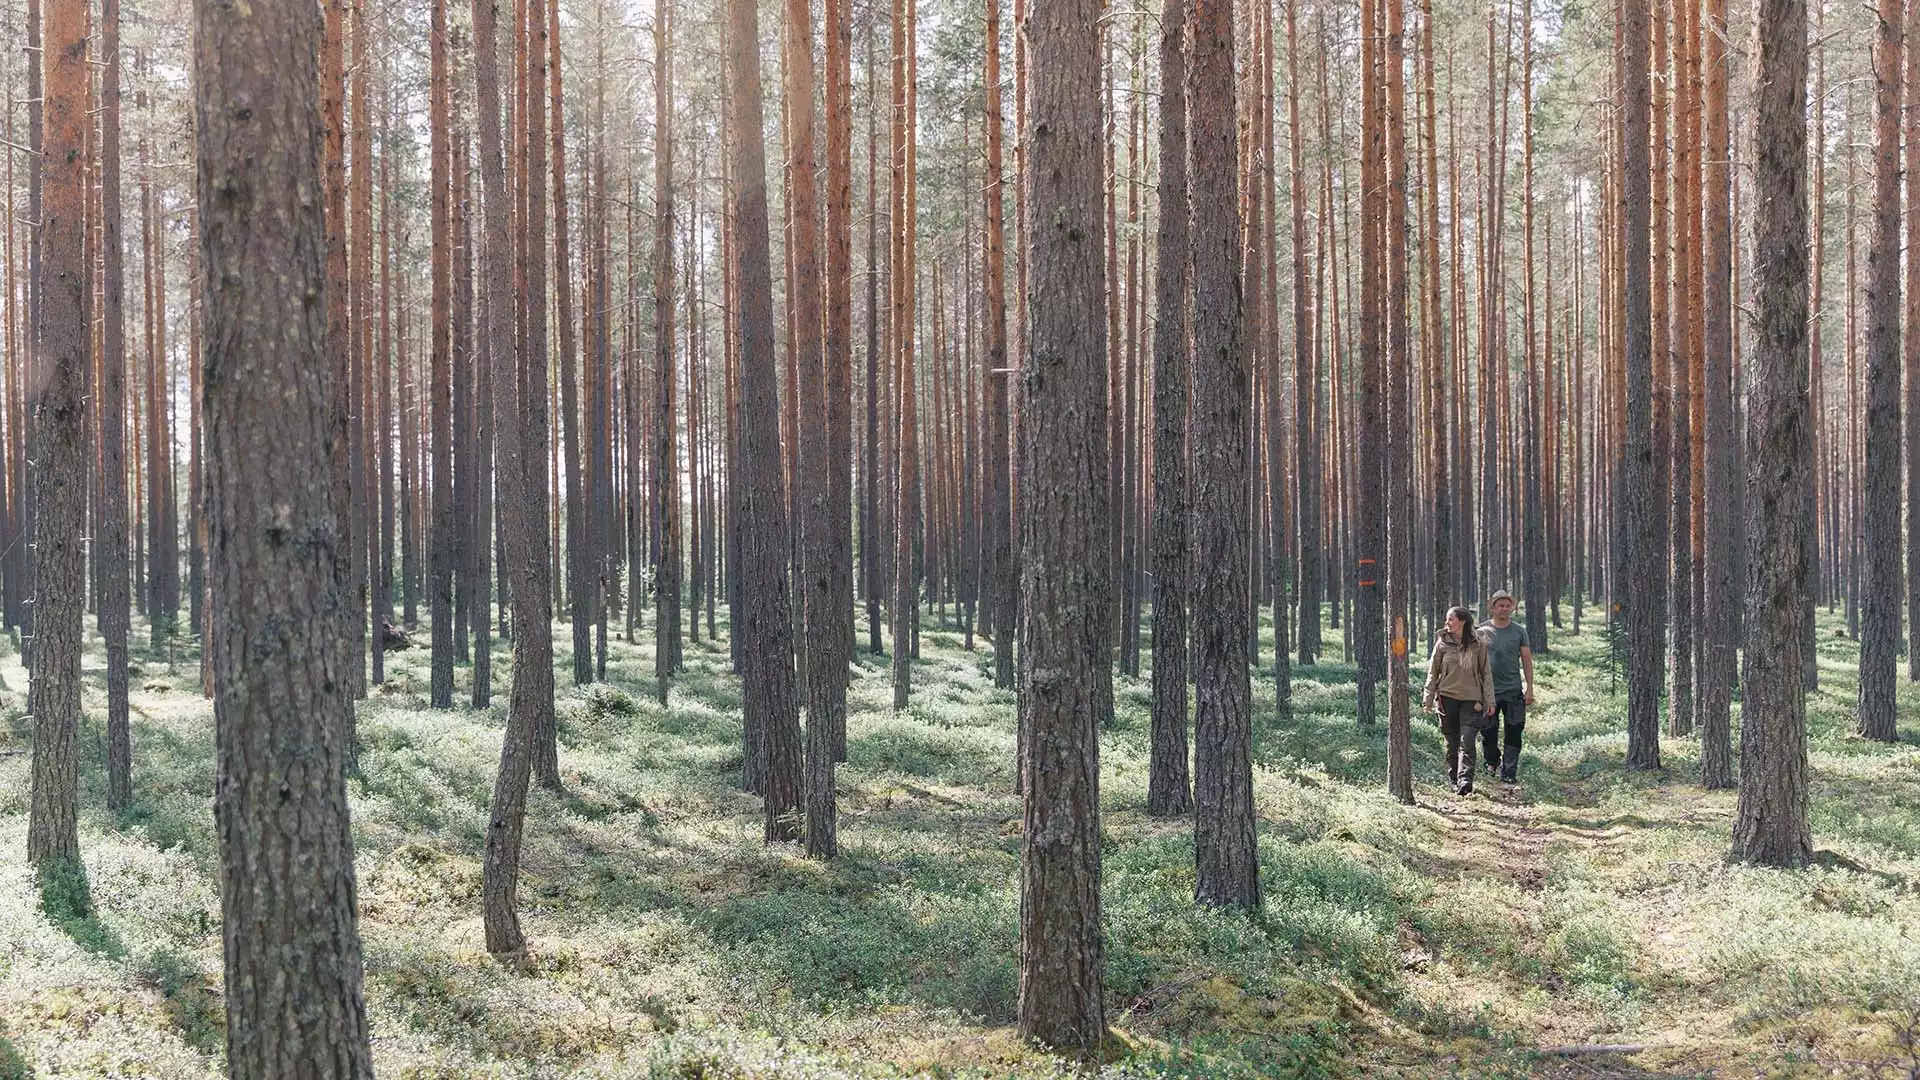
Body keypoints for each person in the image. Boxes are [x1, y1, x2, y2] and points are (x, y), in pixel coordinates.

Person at [1422, 606, 1495, 795]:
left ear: (1462, 621)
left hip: (1472, 699)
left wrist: (1490, 701)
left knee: (1467, 741)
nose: (1447, 623)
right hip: (1447, 698)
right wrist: (1428, 698)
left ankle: (1465, 781)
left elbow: (1486, 673)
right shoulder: (1442, 643)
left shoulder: (1478, 643)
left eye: (1450, 620)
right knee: (1451, 742)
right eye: (1447, 620)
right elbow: (1433, 672)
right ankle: (1454, 778)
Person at [1478, 589, 1536, 783]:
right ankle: (1492, 762)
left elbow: (1527, 660)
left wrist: (1529, 687)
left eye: (1507, 605)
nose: (1504, 609)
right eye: (1500, 605)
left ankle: (1509, 772)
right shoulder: (1481, 630)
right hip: (1488, 692)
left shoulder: (1519, 631)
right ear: (1492, 608)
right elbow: (1473, 661)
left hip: (1513, 690)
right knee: (1488, 731)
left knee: (1514, 729)